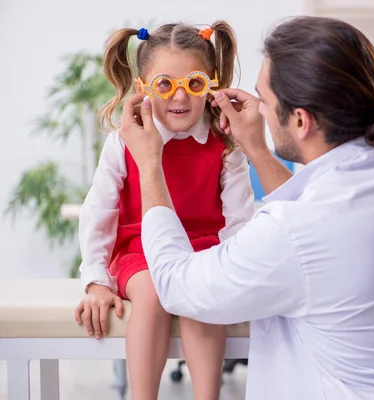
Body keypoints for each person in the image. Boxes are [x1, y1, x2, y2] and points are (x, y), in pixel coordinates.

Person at [119, 16, 374, 400]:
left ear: (301, 120)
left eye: (265, 101)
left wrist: (149, 164)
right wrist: (256, 147)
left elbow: (176, 286)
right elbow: (318, 208)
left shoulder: (296, 231)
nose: (258, 110)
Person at [73, 21, 255, 400]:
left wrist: (231, 274)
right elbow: (100, 209)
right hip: (140, 250)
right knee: (155, 293)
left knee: (198, 291)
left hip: (203, 249)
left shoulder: (224, 145)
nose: (180, 96)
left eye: (194, 83)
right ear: (143, 89)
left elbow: (240, 220)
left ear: (211, 85)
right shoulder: (124, 141)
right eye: (164, 84)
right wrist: (95, 281)